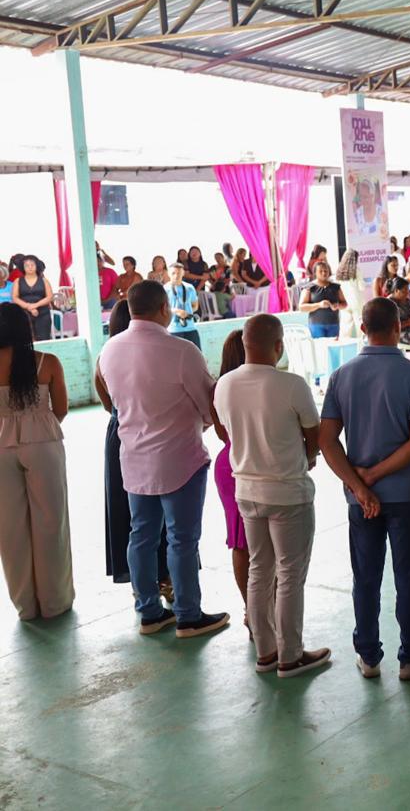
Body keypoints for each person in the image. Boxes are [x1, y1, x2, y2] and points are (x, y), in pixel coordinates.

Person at [97, 280, 229, 638]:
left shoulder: (109, 351)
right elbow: (209, 407)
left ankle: (149, 613)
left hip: (133, 458)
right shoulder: (182, 351)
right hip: (179, 460)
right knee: (181, 539)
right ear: (163, 309)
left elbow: (113, 402)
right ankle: (188, 615)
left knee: (141, 536)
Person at [320, 299, 410, 680]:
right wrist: (375, 476)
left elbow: (327, 441)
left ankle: (368, 657)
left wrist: (360, 485)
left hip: (360, 501)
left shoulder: (341, 376)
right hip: (407, 495)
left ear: (363, 329)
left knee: (366, 578)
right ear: (398, 328)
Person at [214, 314, 328, 677]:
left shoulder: (224, 385)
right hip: (288, 492)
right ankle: (290, 655)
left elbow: (226, 431)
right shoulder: (292, 385)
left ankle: (265, 651)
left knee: (259, 569)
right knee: (290, 573)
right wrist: (306, 457)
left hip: (246, 491)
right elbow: (314, 436)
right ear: (278, 346)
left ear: (245, 344)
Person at [0, 303, 72, 620]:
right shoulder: (47, 362)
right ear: (25, 329)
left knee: (9, 527)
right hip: (43, 443)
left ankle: (25, 606)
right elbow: (61, 409)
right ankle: (54, 602)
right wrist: (37, 427)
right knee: (51, 521)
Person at [97, 304, 170, 595]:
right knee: (166, 506)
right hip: (155, 431)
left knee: (130, 512)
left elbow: (107, 404)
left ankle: (142, 585)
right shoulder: (157, 353)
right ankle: (166, 578)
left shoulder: (105, 357)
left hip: (120, 432)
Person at [211, 331, 250, 620]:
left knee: (240, 541)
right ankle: (269, 607)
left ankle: (251, 608)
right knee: (271, 541)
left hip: (228, 463)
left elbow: (221, 433)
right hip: (255, 463)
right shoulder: (263, 386)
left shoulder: (218, 389)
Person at [299, 261, 347, 339]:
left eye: (326, 271)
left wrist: (337, 306)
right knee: (319, 346)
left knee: (333, 345)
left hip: (334, 324)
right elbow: (301, 307)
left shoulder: (336, 287)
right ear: (315, 273)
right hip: (316, 325)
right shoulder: (309, 287)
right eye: (320, 271)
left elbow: (345, 304)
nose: (324, 273)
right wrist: (319, 305)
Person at [13, 257, 53, 342]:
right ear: (23, 267)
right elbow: (15, 298)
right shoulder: (18, 281)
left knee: (44, 339)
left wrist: (35, 305)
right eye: (27, 265)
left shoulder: (44, 281)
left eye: (32, 265)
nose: (30, 267)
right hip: (23, 314)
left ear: (36, 266)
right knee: (25, 340)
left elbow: (50, 297)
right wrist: (28, 307)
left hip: (43, 314)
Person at [165, 262, 201, 348]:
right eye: (173, 273)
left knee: (196, 353)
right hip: (173, 329)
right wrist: (176, 311)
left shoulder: (190, 287)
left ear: (183, 273)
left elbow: (195, 306)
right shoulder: (165, 289)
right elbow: (162, 309)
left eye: (179, 273)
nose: (176, 276)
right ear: (168, 274)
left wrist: (187, 313)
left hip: (190, 327)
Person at [387, 277, 410, 348]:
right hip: (398, 339)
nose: (407, 293)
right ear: (396, 290)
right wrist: (407, 323)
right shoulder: (388, 304)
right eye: (404, 291)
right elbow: (389, 326)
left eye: (408, 290)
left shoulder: (407, 301)